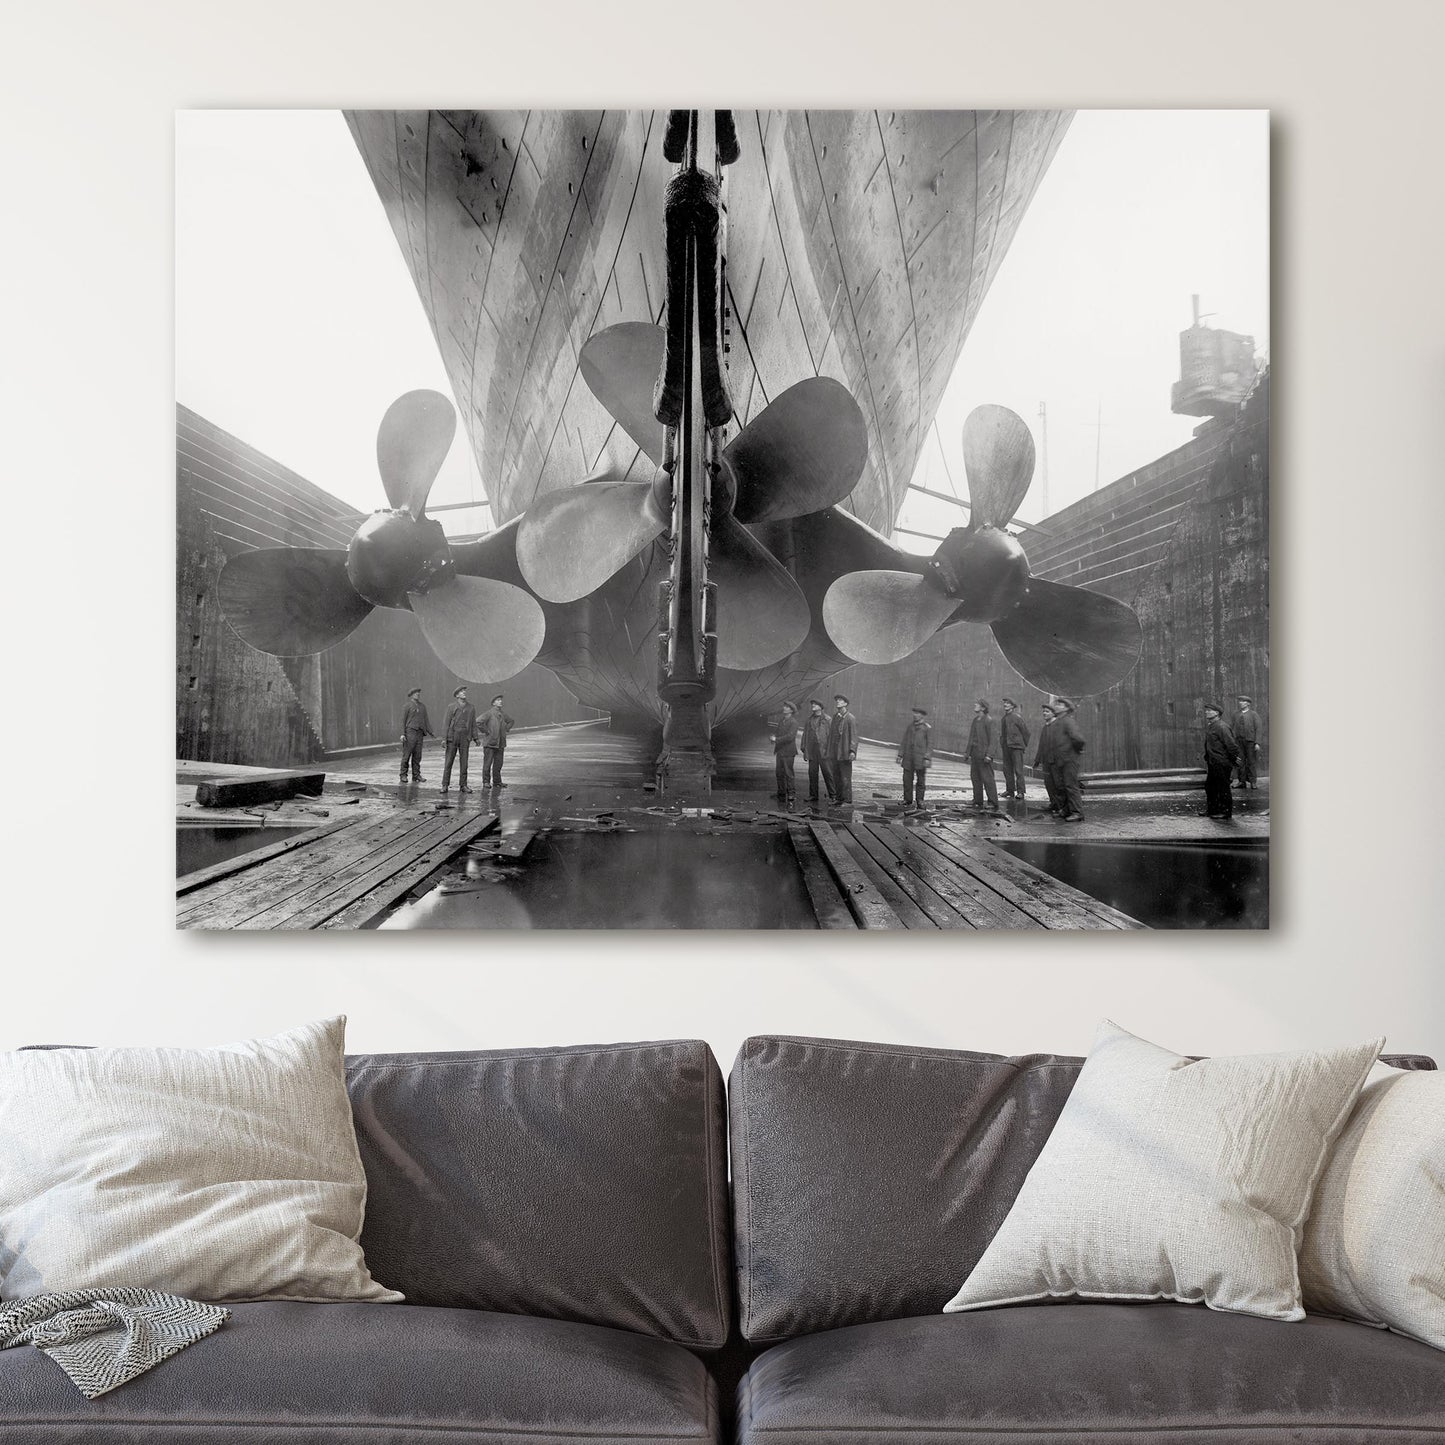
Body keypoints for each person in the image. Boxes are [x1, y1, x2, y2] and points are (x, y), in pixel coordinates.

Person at [1200, 702, 1241, 820]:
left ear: (1217, 713)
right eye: (1206, 710)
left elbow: (1232, 746)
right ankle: (1212, 810)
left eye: (1209, 710)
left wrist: (1233, 759)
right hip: (1213, 762)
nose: (1206, 712)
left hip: (1221, 762)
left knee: (1223, 788)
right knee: (1210, 787)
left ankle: (1226, 812)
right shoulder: (1212, 725)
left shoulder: (1222, 726)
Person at [1052, 697, 1087, 822]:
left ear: (1067, 708)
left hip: (1069, 759)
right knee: (1063, 786)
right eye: (1057, 704)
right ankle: (1066, 810)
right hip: (1061, 759)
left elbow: (1078, 739)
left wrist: (1077, 751)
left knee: (1071, 786)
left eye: (1060, 705)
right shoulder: (1059, 721)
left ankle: (1077, 812)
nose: (1057, 706)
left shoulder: (1068, 721)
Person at [440, 686, 481, 793]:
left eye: (464, 691)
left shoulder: (471, 707)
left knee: (464, 763)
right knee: (448, 762)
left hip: (465, 737)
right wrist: (444, 738)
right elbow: (446, 723)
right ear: (457, 695)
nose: (464, 692)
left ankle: (463, 785)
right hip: (452, 737)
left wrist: (476, 738)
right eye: (461, 692)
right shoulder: (451, 707)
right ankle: (445, 785)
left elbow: (473, 724)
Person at [897, 706, 933, 810]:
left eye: (917, 713)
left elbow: (930, 744)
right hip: (908, 758)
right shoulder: (910, 727)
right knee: (907, 780)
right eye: (914, 713)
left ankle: (920, 800)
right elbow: (904, 741)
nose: (915, 715)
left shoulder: (927, 728)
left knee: (920, 781)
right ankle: (907, 800)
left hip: (920, 759)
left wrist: (927, 758)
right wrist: (900, 754)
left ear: (922, 715)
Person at [965, 700, 999, 811]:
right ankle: (977, 800)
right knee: (975, 778)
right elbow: (971, 737)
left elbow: (993, 740)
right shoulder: (975, 720)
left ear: (983, 708)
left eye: (977, 704)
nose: (975, 705)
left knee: (987, 778)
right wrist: (967, 752)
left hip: (984, 755)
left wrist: (989, 755)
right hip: (975, 754)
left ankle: (993, 802)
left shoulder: (989, 721)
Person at [801, 698, 834, 805]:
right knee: (812, 773)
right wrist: (804, 749)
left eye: (815, 704)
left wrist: (829, 751)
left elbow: (831, 737)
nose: (813, 706)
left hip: (824, 751)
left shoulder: (827, 720)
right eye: (812, 704)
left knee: (828, 773)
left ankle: (833, 795)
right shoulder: (809, 720)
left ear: (821, 707)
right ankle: (813, 795)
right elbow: (805, 735)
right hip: (812, 751)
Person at [826, 694, 858, 805]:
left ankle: (847, 800)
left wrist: (852, 751)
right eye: (837, 700)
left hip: (844, 752)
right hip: (835, 753)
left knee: (845, 777)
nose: (837, 702)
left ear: (845, 703)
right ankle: (839, 799)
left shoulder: (850, 718)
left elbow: (854, 736)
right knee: (836, 776)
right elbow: (831, 735)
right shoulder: (836, 717)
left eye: (840, 700)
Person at [478, 694, 515, 789]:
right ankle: (486, 782)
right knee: (487, 764)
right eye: (498, 700)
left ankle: (497, 782)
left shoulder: (502, 713)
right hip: (490, 743)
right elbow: (478, 722)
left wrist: (506, 729)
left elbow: (511, 721)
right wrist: (486, 731)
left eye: (501, 700)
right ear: (493, 703)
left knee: (498, 764)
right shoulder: (489, 713)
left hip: (500, 743)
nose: (500, 702)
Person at [999, 696, 1031, 800]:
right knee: (1007, 770)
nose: (1005, 705)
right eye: (1005, 703)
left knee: (1018, 770)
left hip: (1017, 747)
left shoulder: (1017, 717)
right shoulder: (1004, 718)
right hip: (1006, 747)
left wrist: (1022, 745)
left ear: (1013, 706)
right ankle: (1010, 790)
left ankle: (1021, 792)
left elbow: (1026, 732)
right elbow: (1003, 734)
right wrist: (1003, 744)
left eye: (1008, 703)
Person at [398, 686, 432, 783]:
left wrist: (431, 732)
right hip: (410, 733)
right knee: (407, 755)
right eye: (415, 693)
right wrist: (402, 734)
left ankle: (416, 775)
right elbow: (402, 721)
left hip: (419, 733)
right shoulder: (407, 706)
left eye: (418, 693)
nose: (417, 694)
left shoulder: (422, 706)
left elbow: (426, 721)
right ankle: (403, 775)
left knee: (417, 756)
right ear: (411, 695)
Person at [1033, 703, 1061, 815]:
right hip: (1046, 761)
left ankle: (1060, 807)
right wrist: (1037, 760)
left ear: (1053, 713)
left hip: (1056, 761)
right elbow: (1041, 745)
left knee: (1058, 784)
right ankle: (1053, 804)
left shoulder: (1058, 726)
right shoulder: (1045, 727)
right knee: (1048, 784)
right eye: (1043, 711)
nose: (1044, 713)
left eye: (1047, 711)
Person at [771, 702, 799, 808]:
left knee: (788, 773)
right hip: (781, 751)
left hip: (788, 752)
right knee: (779, 772)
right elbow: (778, 732)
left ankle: (791, 794)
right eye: (784, 706)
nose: (784, 708)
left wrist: (776, 739)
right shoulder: (782, 721)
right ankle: (781, 792)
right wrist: (774, 736)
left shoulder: (793, 722)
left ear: (791, 710)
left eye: (787, 707)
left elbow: (790, 737)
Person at [1231, 695, 1261, 789]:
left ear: (1248, 703)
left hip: (1250, 741)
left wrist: (1257, 743)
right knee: (1240, 762)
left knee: (1251, 761)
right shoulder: (1235, 714)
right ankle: (1241, 782)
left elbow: (1258, 729)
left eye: (1243, 701)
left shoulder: (1253, 714)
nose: (1240, 703)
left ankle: (1253, 782)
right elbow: (1232, 727)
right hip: (1238, 741)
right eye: (1240, 701)